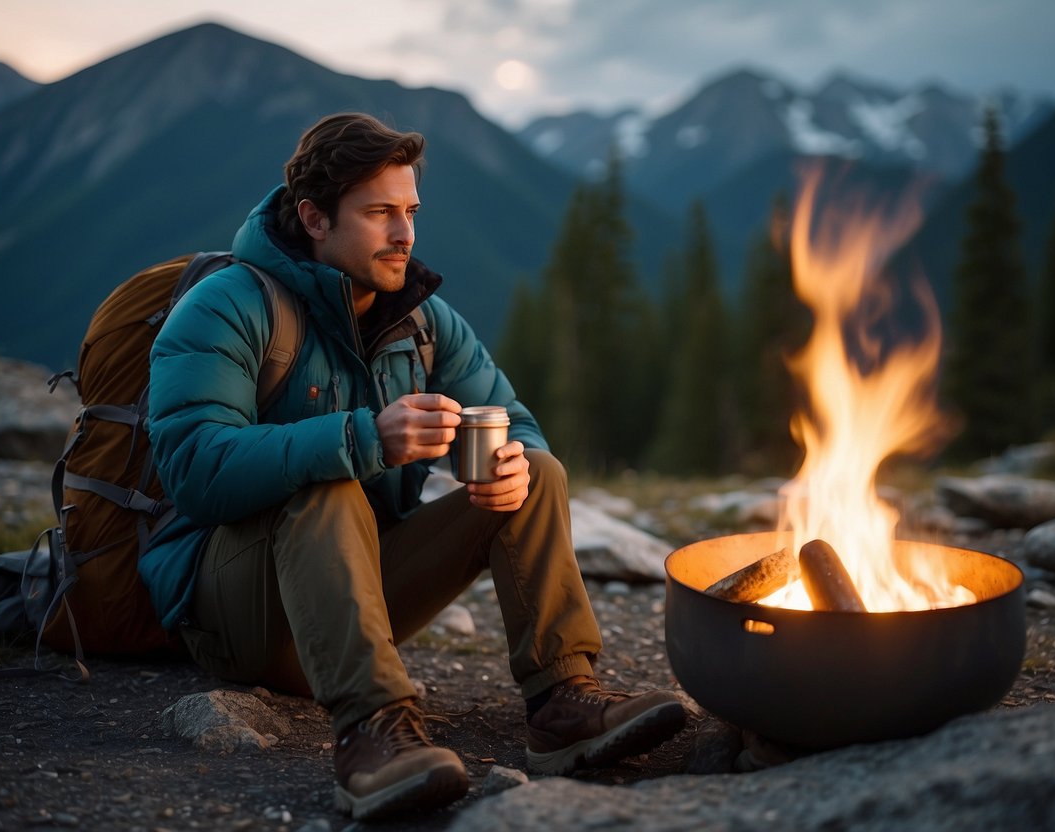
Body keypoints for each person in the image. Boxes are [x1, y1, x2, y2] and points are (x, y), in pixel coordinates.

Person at [142, 112, 686, 821]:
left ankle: (561, 702)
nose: (405, 235)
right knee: (327, 488)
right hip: (239, 616)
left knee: (538, 477)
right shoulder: (229, 304)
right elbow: (192, 466)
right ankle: (372, 731)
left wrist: (512, 463)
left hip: (355, 595)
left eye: (410, 212)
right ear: (313, 217)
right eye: (379, 214)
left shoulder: (423, 322)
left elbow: (512, 420)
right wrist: (364, 436)